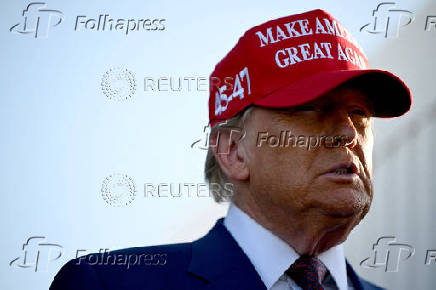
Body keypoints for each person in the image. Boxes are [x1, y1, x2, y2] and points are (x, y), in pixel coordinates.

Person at [50, 9, 412, 290]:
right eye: (310, 108)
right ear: (234, 151)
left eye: (360, 113)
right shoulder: (109, 284)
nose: (347, 132)